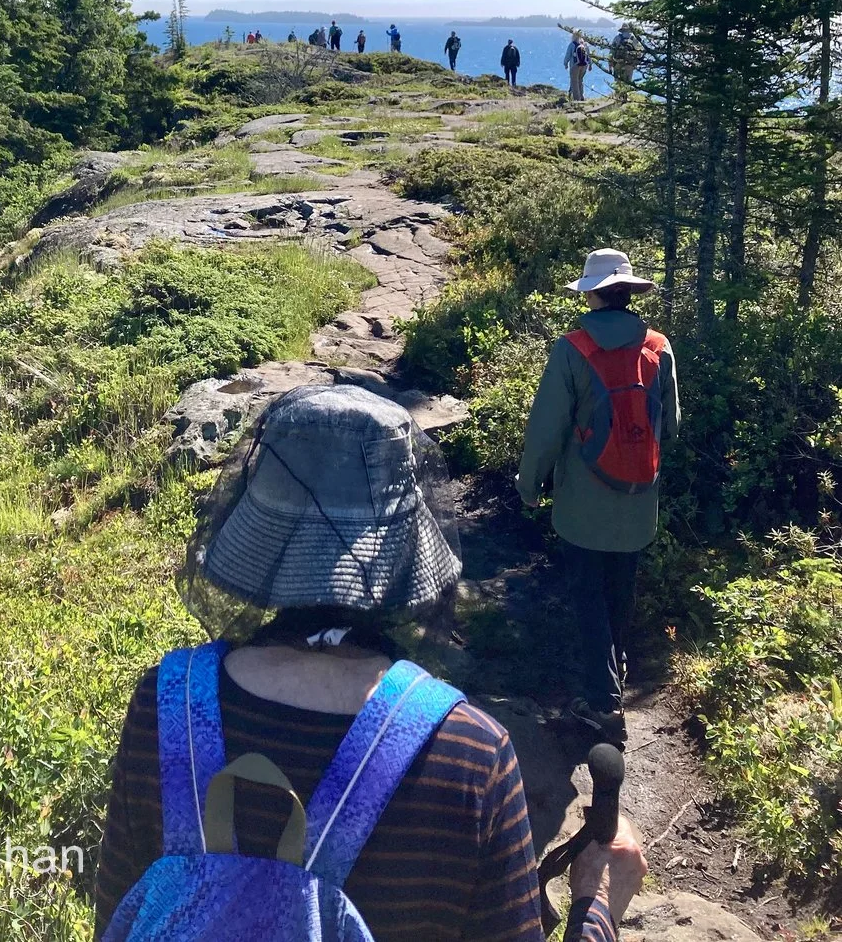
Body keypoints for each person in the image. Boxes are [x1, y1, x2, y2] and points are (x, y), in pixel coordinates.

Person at [95, 384, 648, 941]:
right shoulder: (470, 754)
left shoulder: (166, 707)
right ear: (406, 548)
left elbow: (118, 919)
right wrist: (597, 904)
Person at [516, 250, 679, 749]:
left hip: (583, 503)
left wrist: (530, 485)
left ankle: (602, 704)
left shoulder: (572, 349)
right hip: (637, 498)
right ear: (629, 292)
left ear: (591, 293)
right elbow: (669, 426)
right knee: (618, 588)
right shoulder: (659, 346)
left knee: (587, 596)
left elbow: (547, 431)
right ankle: (616, 666)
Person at [564, 34, 590, 102]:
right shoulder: (585, 44)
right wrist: (590, 65)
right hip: (584, 65)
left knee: (574, 82)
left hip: (575, 65)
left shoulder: (572, 44)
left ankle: (577, 99)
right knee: (580, 81)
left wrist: (565, 64)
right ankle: (581, 96)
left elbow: (568, 55)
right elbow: (588, 55)